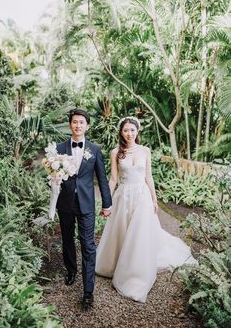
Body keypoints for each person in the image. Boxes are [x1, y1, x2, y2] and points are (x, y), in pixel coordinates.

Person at [96, 116, 196, 303]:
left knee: (139, 234)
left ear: (137, 131)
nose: (129, 133)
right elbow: (113, 179)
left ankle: (135, 272)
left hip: (142, 196)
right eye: (126, 130)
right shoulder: (116, 151)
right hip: (123, 196)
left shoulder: (145, 151)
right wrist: (106, 201)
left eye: (132, 130)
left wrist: (154, 199)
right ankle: (116, 264)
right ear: (121, 132)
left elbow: (148, 177)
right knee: (121, 231)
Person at [56, 109, 112, 310]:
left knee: (88, 244)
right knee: (67, 238)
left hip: (87, 204)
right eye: (74, 122)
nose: (78, 125)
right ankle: (71, 270)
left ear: (87, 126)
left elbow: (102, 179)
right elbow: (53, 177)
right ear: (70, 125)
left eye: (81, 122)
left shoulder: (95, 149)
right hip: (65, 203)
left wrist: (107, 203)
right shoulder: (59, 148)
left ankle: (88, 291)